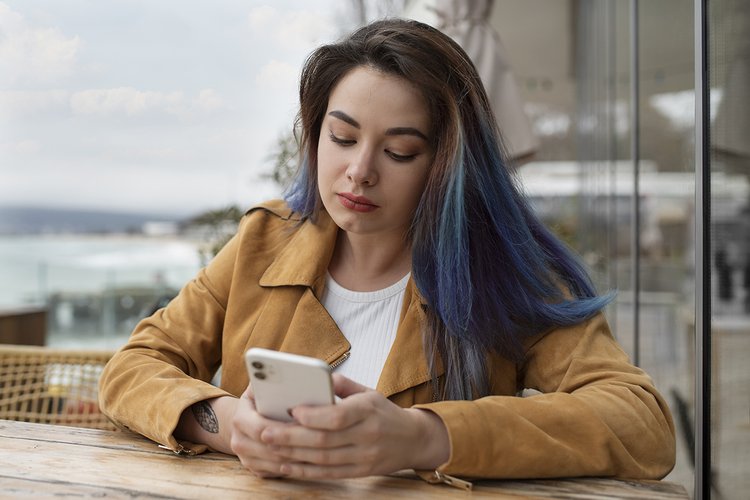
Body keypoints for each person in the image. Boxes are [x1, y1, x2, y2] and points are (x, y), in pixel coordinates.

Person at [99, 18, 675, 486]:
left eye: (399, 151)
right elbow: (133, 366)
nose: (359, 172)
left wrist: (423, 434)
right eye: (342, 138)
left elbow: (640, 422)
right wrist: (225, 422)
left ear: (448, 165)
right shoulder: (263, 242)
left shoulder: (507, 270)